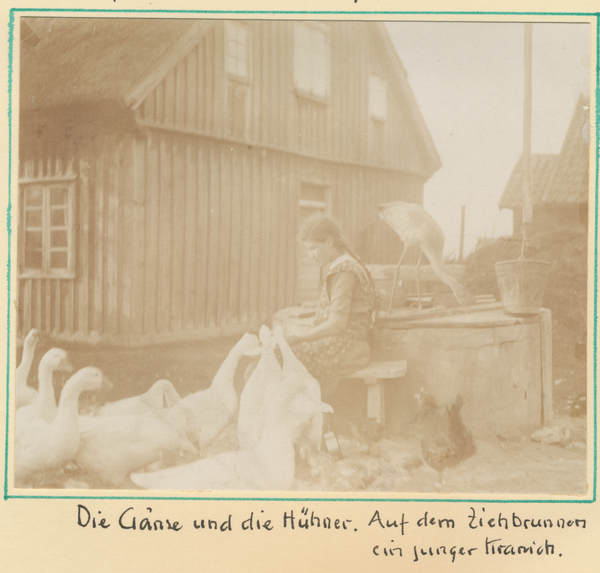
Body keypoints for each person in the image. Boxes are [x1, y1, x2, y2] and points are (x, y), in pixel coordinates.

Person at [285, 214, 376, 398]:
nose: (310, 255)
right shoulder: (341, 267)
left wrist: (301, 337)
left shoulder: (345, 272)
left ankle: (307, 415)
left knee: (283, 355)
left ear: (328, 242)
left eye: (313, 248)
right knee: (282, 353)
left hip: (351, 347)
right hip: (343, 341)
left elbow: (336, 324)